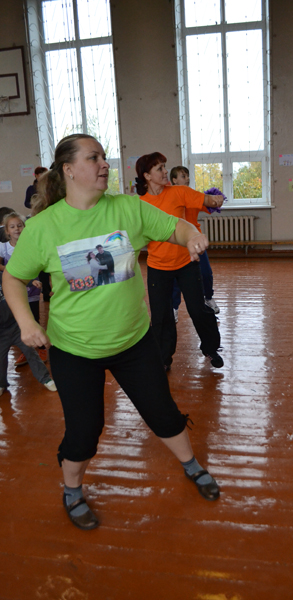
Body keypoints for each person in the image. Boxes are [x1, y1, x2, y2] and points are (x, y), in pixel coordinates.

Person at [3, 133, 220, 532]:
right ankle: (72, 491)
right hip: (75, 349)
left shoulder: (127, 208)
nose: (105, 163)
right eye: (94, 157)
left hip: (133, 342)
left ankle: (191, 464)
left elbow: (174, 227)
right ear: (69, 170)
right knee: (85, 431)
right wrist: (28, 322)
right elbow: (13, 279)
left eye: (104, 156)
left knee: (163, 412)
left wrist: (192, 236)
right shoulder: (44, 227)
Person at [136, 153, 224, 371]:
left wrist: (215, 199)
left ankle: (211, 349)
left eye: (164, 166)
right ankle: (163, 358)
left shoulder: (178, 192)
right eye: (159, 168)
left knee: (198, 310)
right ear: (147, 176)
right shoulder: (140, 204)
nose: (165, 171)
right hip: (158, 267)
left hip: (186, 263)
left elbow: (206, 200)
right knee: (161, 316)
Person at [169, 166, 220, 323]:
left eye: (187, 176)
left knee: (205, 273)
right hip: (177, 242)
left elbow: (209, 206)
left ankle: (208, 298)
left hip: (195, 240)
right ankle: (173, 308)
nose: (187, 179)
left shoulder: (192, 195)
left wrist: (216, 199)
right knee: (176, 279)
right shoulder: (169, 197)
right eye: (183, 176)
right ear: (174, 180)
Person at [0, 212, 47, 365]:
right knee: (18, 321)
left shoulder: (31, 245)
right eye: (12, 226)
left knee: (33, 318)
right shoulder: (3, 248)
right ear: (7, 231)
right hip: (13, 291)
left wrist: (35, 281)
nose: (17, 229)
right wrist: (10, 272)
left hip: (32, 289)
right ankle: (27, 351)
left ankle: (41, 349)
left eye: (19, 225)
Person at [0, 271, 56, 396]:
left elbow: (15, 279)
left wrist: (31, 281)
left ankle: (45, 378)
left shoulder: (1, 276)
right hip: (1, 333)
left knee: (30, 352)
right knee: (0, 359)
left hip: (15, 326)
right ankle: (1, 384)